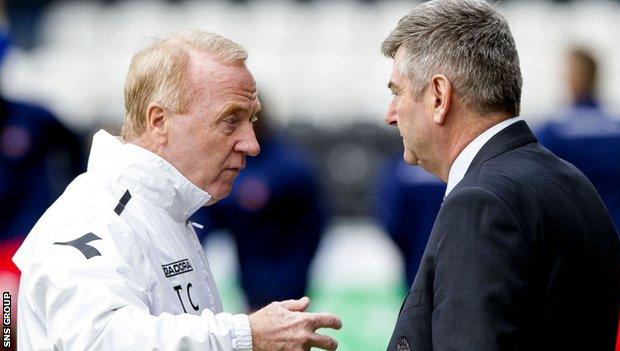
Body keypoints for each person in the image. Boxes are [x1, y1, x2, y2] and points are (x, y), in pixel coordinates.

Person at [13, 29, 341, 351]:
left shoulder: (163, 208)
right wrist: (245, 335)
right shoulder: (94, 216)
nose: (252, 144)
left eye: (251, 120)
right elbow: (97, 340)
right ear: (159, 122)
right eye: (230, 120)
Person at [380, 1, 620, 350]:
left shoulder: (479, 204)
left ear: (439, 96)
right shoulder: (572, 183)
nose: (390, 114)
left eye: (396, 92)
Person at [193, 108, 327, 311]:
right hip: (252, 281)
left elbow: (315, 220)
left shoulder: (290, 166)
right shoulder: (232, 165)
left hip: (289, 279)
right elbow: (208, 216)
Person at [537, 47, 620, 245]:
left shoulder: (553, 131)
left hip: (573, 244)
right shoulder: (619, 129)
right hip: (618, 240)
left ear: (572, 78)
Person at [374, 153, 445, 288]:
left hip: (416, 260)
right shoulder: (456, 166)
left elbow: (393, 224)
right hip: (456, 257)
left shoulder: (399, 169)